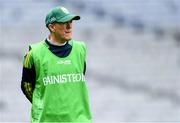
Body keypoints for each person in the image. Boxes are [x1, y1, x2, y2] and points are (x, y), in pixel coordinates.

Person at [21, 6, 92, 122]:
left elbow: (78, 81)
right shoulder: (34, 54)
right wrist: (44, 104)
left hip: (79, 119)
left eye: (71, 22)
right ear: (52, 27)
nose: (69, 27)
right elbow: (27, 87)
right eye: (64, 23)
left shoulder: (80, 49)